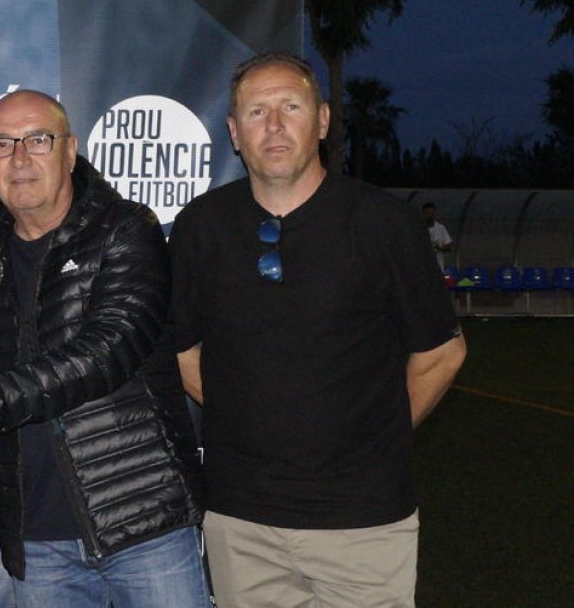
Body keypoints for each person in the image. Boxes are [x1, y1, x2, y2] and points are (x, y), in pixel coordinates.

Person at [170, 52, 467, 607]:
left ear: (323, 120)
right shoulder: (200, 227)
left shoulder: (385, 223)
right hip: (243, 522)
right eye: (257, 112)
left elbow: (441, 353)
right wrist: (251, 424)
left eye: (291, 106)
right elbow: (182, 351)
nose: (275, 125)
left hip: (364, 521)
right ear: (235, 132)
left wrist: (373, 442)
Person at [0, 90, 211, 607]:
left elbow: (107, 351)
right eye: (2, 144)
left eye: (37, 140)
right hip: (38, 545)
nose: (20, 158)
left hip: (144, 525)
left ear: (70, 151)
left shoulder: (126, 230)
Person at [423, 202, 454, 270]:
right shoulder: (419, 228)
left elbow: (449, 246)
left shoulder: (440, 228)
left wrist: (439, 248)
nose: (430, 216)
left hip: (438, 267)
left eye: (432, 213)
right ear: (423, 214)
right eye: (427, 213)